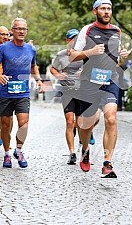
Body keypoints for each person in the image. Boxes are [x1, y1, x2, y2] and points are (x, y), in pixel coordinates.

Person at [69, 0, 129, 177]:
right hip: (89, 82)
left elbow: (115, 58)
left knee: (111, 119)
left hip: (110, 81)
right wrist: (90, 52)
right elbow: (72, 55)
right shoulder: (87, 30)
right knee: (87, 123)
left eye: (109, 9)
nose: (106, 12)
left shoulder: (117, 31)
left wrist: (122, 56)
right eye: (102, 9)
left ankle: (107, 162)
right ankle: (85, 151)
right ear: (95, 11)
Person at [0, 17, 43, 168]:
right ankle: (6, 154)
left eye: (24, 29)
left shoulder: (31, 49)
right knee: (5, 126)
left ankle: (18, 150)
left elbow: (33, 66)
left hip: (23, 93)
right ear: (12, 31)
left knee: (24, 124)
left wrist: (38, 80)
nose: (21, 31)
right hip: (5, 92)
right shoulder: (3, 48)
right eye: (18, 28)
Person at [50, 29, 97, 165]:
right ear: (67, 41)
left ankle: (84, 150)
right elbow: (53, 68)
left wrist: (85, 71)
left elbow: (95, 69)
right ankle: (72, 153)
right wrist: (58, 75)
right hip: (68, 92)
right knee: (70, 122)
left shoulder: (85, 55)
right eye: (72, 39)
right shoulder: (61, 55)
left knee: (81, 124)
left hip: (83, 92)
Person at [0, 26, 13, 147]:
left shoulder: (9, 48)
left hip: (7, 87)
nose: (5, 37)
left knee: (8, 117)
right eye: (2, 34)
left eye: (6, 34)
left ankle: (6, 142)